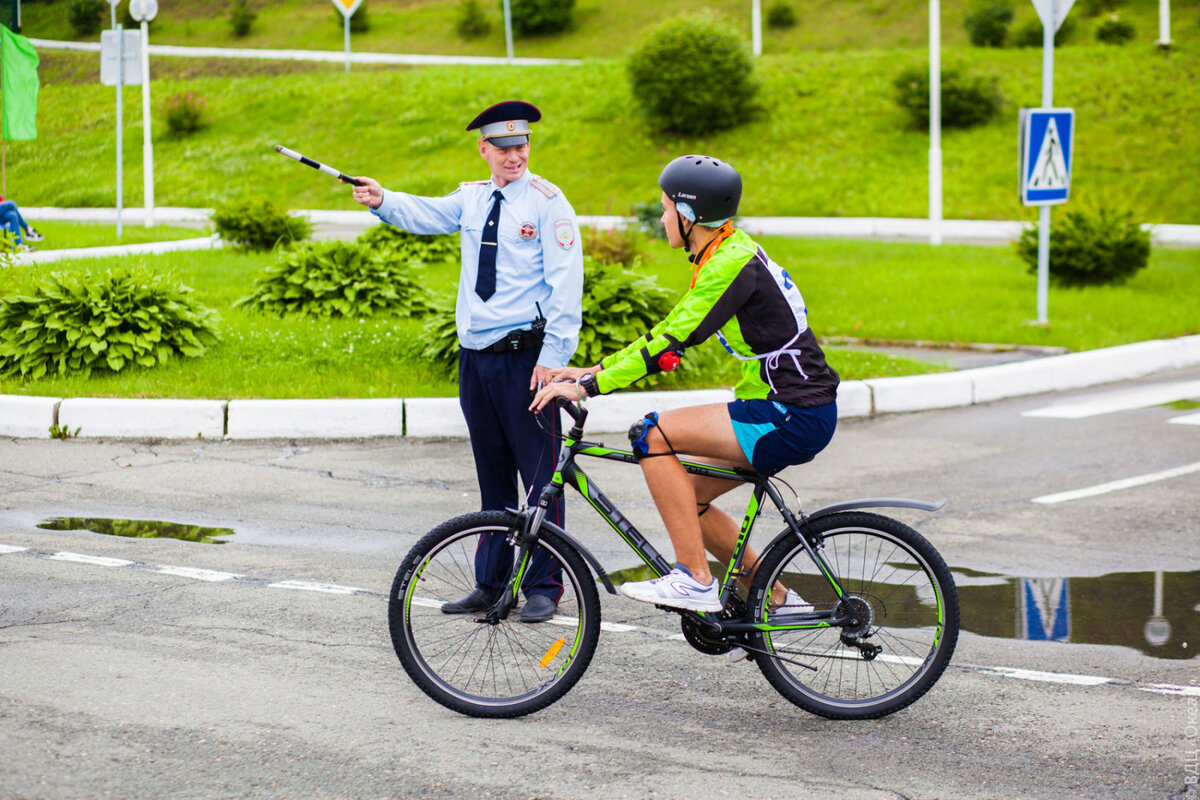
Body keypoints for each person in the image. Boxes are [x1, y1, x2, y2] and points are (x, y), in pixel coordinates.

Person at [531, 154, 839, 614]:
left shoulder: (729, 264)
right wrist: (593, 370)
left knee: (649, 434)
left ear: (689, 214)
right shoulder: (729, 251)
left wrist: (588, 389)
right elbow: (667, 334)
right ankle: (773, 599)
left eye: (665, 208)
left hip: (789, 414)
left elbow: (672, 340)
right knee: (689, 494)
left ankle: (695, 580)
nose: (660, 218)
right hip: (782, 408)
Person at [349, 100, 583, 623]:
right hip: (477, 361)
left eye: (520, 145)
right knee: (493, 478)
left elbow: (567, 286)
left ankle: (545, 585)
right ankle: (491, 581)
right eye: (502, 148)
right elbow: (427, 213)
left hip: (528, 361)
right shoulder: (472, 198)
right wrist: (382, 198)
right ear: (484, 150)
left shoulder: (549, 203)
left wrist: (553, 359)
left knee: (541, 477)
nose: (513, 155)